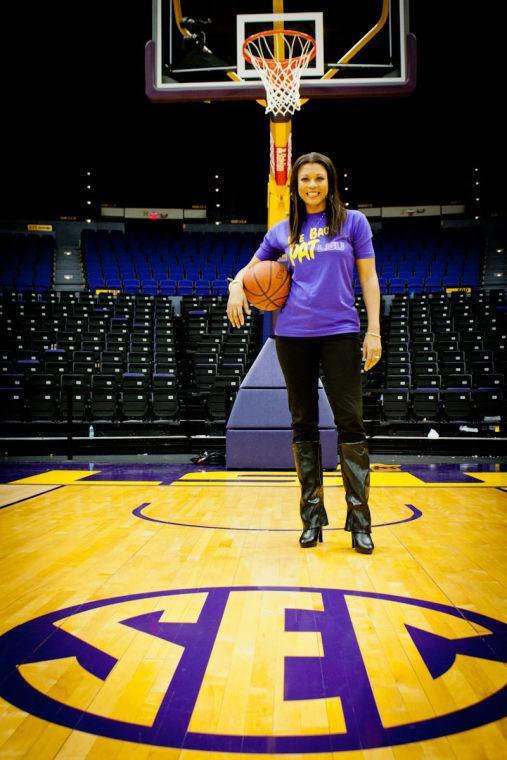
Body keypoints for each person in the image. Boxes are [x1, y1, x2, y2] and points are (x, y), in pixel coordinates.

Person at [227, 152, 381, 554]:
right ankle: (312, 519)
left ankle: (359, 521)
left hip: (340, 332)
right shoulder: (281, 231)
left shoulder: (353, 223)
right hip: (292, 334)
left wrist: (374, 331)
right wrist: (234, 288)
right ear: (295, 186)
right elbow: (248, 271)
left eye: (319, 179)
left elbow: (369, 277)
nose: (312, 186)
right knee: (303, 423)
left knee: (350, 422)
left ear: (330, 182)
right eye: (304, 180)